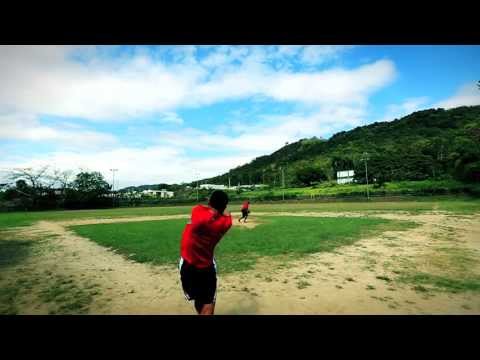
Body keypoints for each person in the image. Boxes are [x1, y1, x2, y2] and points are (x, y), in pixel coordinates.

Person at [179, 190, 232, 315]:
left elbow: (204, 208)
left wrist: (213, 207)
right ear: (224, 206)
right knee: (207, 304)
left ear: (210, 202)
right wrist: (222, 209)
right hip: (207, 267)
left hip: (188, 265)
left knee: (199, 300)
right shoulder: (226, 223)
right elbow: (227, 214)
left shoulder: (197, 212)